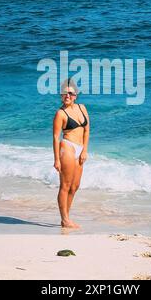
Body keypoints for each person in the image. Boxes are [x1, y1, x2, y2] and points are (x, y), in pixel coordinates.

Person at [52, 79, 90, 228]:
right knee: (65, 185)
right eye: (64, 93)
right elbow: (55, 137)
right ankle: (65, 220)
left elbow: (87, 130)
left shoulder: (82, 108)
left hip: (81, 149)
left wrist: (85, 150)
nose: (67, 95)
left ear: (75, 95)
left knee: (75, 186)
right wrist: (56, 160)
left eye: (70, 93)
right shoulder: (60, 113)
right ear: (61, 95)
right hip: (67, 147)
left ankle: (66, 217)